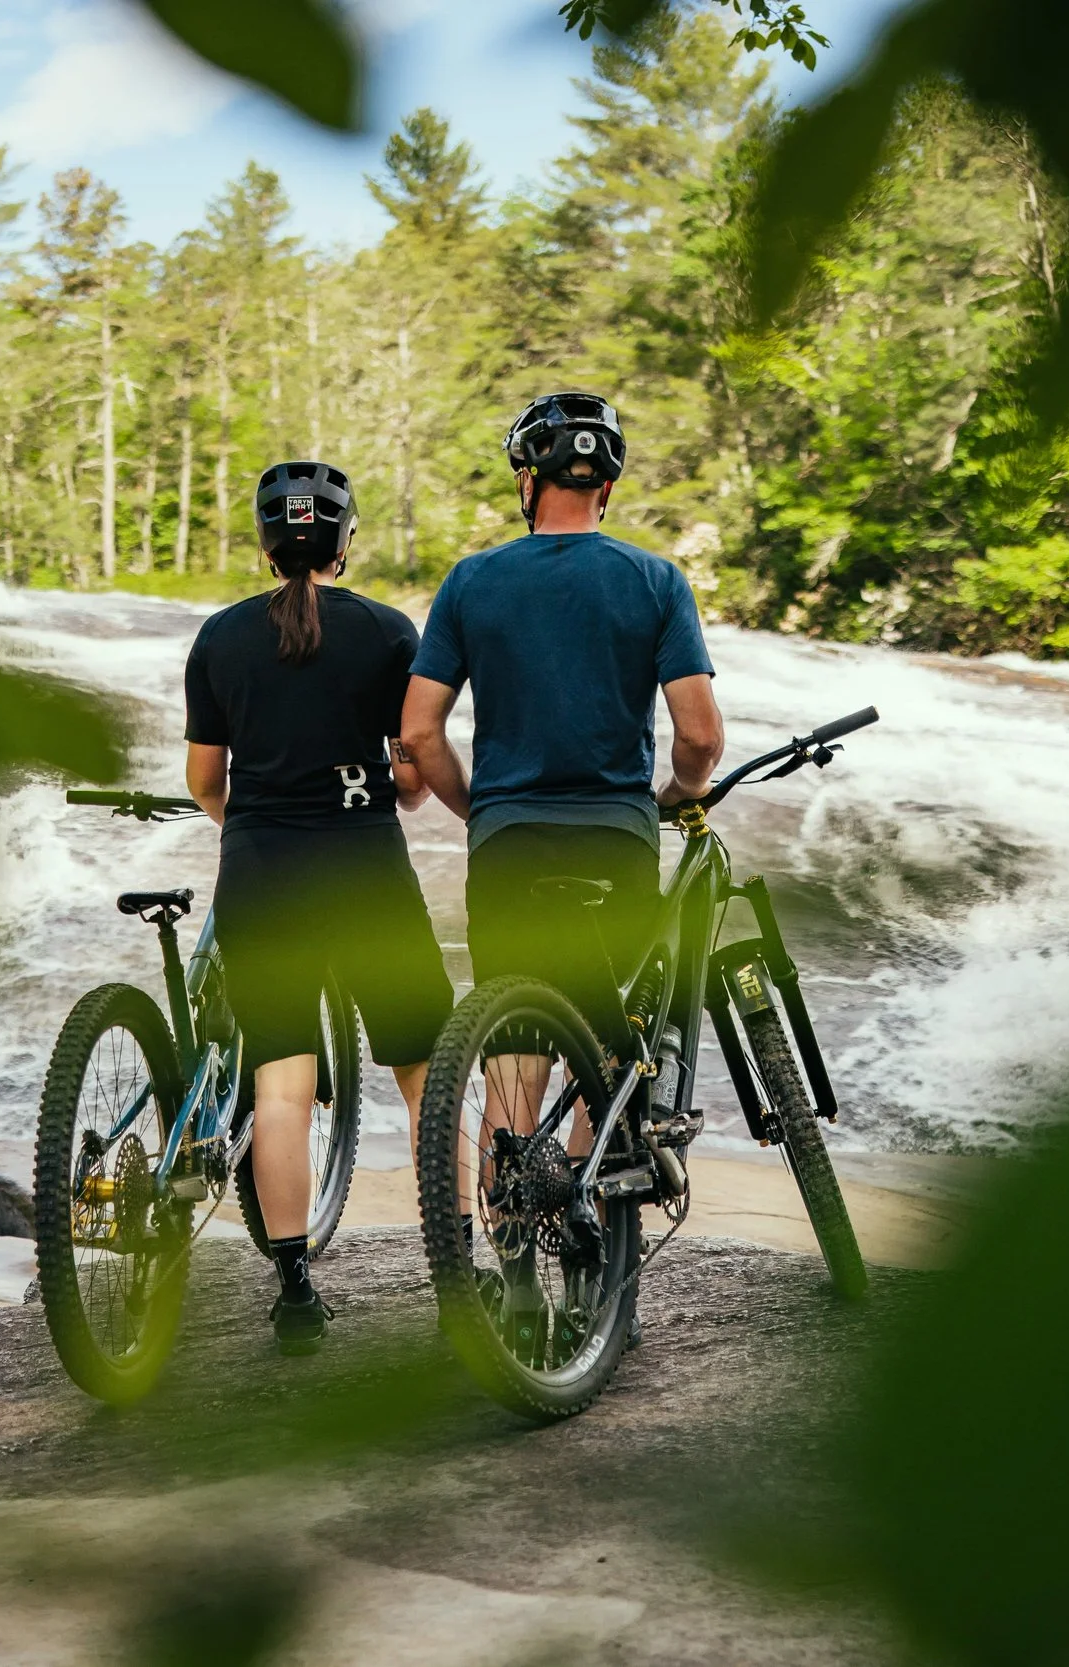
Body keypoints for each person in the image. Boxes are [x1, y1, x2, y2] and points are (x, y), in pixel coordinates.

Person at [184, 459, 454, 1355]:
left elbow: (204, 781)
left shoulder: (219, 638)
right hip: (364, 869)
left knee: (282, 1086)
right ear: (346, 543)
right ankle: (458, 1266)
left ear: (265, 544)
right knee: (427, 1075)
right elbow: (412, 765)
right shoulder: (385, 631)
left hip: (261, 873)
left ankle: (295, 1288)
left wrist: (259, 822)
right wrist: (396, 787)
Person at [398, 391, 724, 1127]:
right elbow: (700, 737)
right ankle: (596, 1205)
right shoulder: (656, 581)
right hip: (617, 835)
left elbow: (419, 733)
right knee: (614, 1050)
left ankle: (510, 1217)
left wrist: (483, 808)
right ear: (605, 488)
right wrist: (679, 792)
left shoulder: (471, 580)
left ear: (526, 481)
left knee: (515, 1044)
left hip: (509, 839)